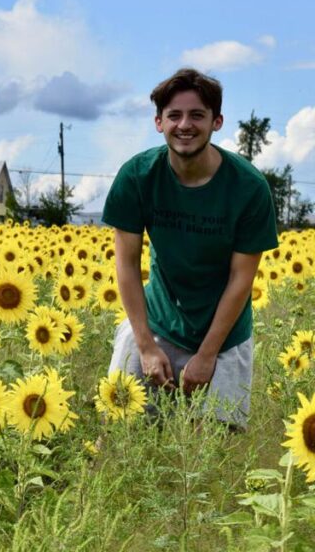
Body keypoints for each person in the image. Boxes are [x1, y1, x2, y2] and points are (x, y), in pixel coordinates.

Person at [102, 68, 279, 428]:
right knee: (119, 432)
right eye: (174, 115)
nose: (185, 125)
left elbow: (241, 280)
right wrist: (147, 347)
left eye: (197, 115)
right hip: (156, 325)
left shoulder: (249, 188)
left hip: (225, 337)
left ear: (217, 122)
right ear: (158, 122)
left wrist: (208, 353)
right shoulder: (138, 176)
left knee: (210, 456)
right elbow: (126, 266)